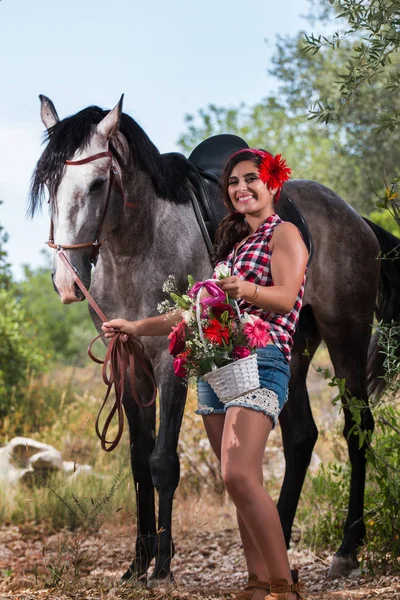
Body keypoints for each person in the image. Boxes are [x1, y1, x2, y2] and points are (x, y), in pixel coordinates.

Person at [102, 149, 308, 600]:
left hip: (261, 359)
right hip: (216, 367)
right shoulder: (231, 246)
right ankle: (257, 582)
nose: (240, 188)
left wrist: (244, 288)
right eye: (233, 182)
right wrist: (135, 327)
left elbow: (287, 296)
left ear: (272, 183)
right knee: (236, 478)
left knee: (238, 475)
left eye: (251, 179)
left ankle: (283, 584)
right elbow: (189, 312)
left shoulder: (284, 233)